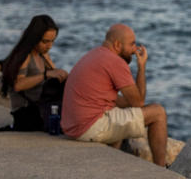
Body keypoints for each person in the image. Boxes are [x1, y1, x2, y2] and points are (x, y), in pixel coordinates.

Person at [61, 23, 168, 166]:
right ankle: (161, 169)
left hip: (73, 127)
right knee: (158, 113)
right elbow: (139, 103)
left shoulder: (93, 55)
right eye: (132, 44)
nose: (134, 49)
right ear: (117, 45)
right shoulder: (115, 61)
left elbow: (122, 102)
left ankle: (111, 162)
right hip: (89, 128)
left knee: (118, 111)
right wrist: (141, 67)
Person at [0, 15, 68, 131]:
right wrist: (45, 75)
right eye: (45, 41)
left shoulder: (43, 54)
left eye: (52, 41)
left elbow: (55, 75)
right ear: (34, 38)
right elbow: (18, 85)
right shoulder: (25, 56)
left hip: (42, 107)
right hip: (26, 113)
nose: (49, 46)